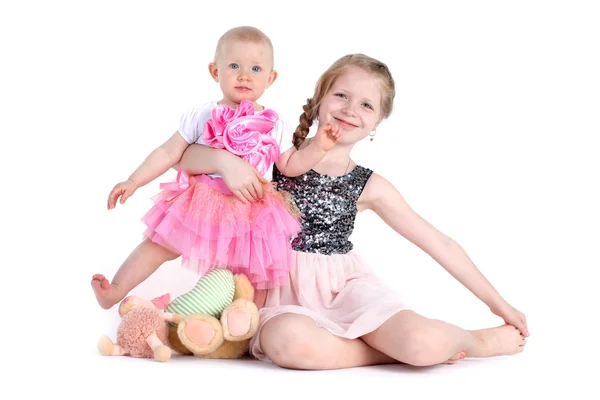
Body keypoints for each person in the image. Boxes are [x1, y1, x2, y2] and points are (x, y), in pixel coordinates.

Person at [176, 53, 530, 369]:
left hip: (343, 288)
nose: (349, 109)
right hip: (276, 291)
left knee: (423, 343)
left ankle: (475, 341)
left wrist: (500, 304)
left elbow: (439, 243)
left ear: (377, 123)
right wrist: (223, 161)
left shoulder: (368, 185)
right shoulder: (276, 153)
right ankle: (383, 353)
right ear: (318, 101)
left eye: (366, 105)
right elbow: (185, 157)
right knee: (288, 342)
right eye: (341, 95)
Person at [91, 26, 342, 310]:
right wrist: (133, 180)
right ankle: (115, 290)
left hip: (252, 210)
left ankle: (240, 325)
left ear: (271, 78)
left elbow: (290, 164)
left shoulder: (275, 122)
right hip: (203, 200)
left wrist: (319, 147)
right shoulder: (203, 114)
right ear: (215, 71)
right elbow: (168, 152)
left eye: (256, 68)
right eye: (234, 65)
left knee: (250, 275)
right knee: (158, 246)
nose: (245, 75)